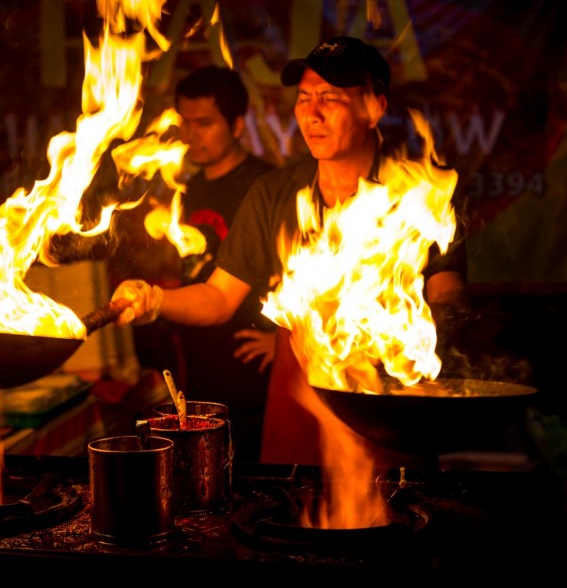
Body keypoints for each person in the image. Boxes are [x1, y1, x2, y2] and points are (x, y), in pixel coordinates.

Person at [110, 36, 468, 466]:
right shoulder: (275, 193)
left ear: (374, 107)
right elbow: (219, 297)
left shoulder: (422, 194)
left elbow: (447, 295)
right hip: (297, 410)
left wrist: (418, 332)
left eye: (330, 98)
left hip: (387, 411)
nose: (312, 114)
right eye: (304, 98)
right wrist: (155, 299)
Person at [164, 64, 277, 462]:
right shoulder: (190, 187)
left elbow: (305, 272)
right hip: (202, 369)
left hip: (254, 376)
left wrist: (285, 343)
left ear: (238, 125)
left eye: (205, 123)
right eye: (186, 122)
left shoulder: (267, 188)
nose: (192, 134)